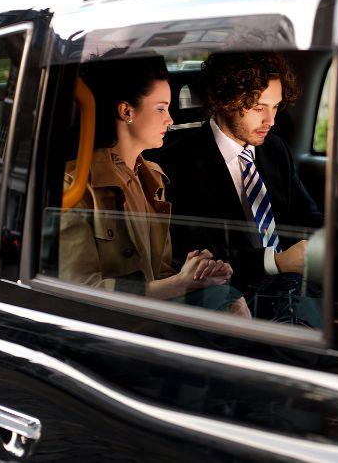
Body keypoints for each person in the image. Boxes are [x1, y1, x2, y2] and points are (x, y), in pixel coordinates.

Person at [59, 56, 250, 318]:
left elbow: (159, 272)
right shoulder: (76, 187)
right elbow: (80, 292)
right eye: (161, 109)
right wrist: (177, 283)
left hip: (150, 316)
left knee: (233, 301)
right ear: (126, 112)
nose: (170, 120)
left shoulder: (151, 178)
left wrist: (195, 273)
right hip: (111, 327)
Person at [158, 52, 323, 323]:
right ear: (225, 101)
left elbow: (307, 217)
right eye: (259, 108)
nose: (271, 120)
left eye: (276, 107)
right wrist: (276, 262)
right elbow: (198, 260)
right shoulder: (177, 165)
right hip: (235, 300)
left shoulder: (275, 149)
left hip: (294, 290)